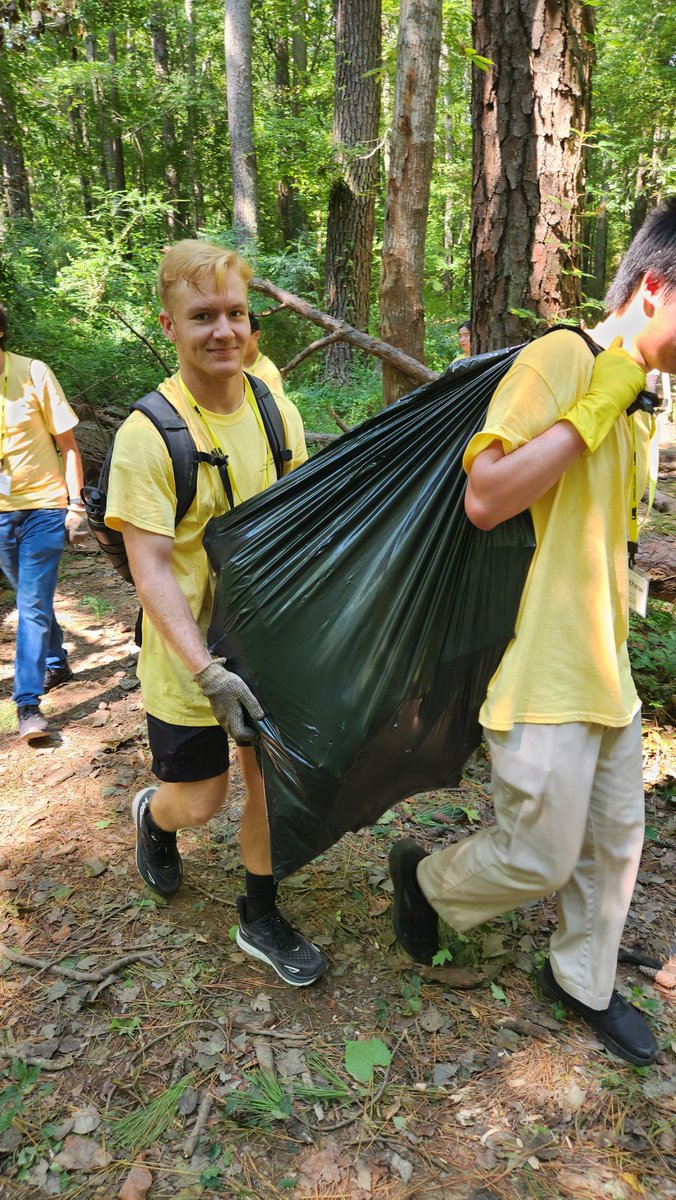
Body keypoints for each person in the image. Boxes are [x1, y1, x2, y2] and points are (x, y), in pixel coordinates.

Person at [388, 196, 676, 1065]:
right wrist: (596, 407)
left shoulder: (647, 402)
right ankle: (429, 883)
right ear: (656, 290)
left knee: (614, 845)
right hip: (542, 666)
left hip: (606, 669)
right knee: (540, 860)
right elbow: (486, 497)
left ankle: (580, 979)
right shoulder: (564, 356)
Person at [105, 240, 327, 988]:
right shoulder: (149, 435)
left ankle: (260, 913)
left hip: (263, 639)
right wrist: (206, 672)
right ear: (168, 324)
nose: (223, 331)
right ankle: (154, 819)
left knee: (266, 778)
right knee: (202, 802)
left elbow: (300, 514)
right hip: (188, 656)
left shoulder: (273, 405)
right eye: (202, 316)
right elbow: (151, 568)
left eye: (235, 313)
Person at [0, 302, 86, 742]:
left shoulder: (32, 373)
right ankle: (56, 662)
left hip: (44, 508)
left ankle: (28, 704)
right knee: (31, 597)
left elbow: (68, 444)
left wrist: (76, 506)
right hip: (0, 515)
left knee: (30, 606)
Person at [243, 313, 286, 404]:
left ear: (256, 335)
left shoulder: (269, 374)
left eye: (243, 336)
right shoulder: (232, 365)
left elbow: (277, 411)